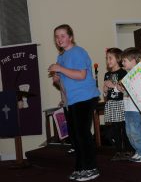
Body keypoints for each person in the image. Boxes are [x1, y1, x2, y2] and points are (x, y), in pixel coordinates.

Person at [48, 24, 100, 181]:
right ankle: (80, 167)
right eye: (56, 36)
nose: (59, 39)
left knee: (82, 134)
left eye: (62, 35)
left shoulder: (78, 52)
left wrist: (60, 70)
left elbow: (81, 75)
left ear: (70, 37)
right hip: (72, 101)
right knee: (74, 135)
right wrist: (57, 79)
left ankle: (91, 168)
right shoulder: (61, 57)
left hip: (85, 97)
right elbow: (64, 82)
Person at [121, 47, 141, 163]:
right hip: (127, 106)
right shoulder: (127, 74)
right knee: (129, 131)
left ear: (133, 60)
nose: (122, 63)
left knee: (136, 130)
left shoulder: (139, 72)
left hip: (135, 108)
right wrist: (121, 87)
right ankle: (138, 151)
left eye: (125, 61)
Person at [103, 48, 133, 161]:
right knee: (115, 129)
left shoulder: (123, 72)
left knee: (124, 127)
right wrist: (105, 89)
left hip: (121, 103)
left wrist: (113, 85)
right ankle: (118, 151)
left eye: (110, 58)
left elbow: (125, 89)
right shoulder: (107, 74)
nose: (108, 61)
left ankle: (129, 150)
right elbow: (105, 93)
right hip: (111, 104)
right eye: (107, 58)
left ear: (118, 59)